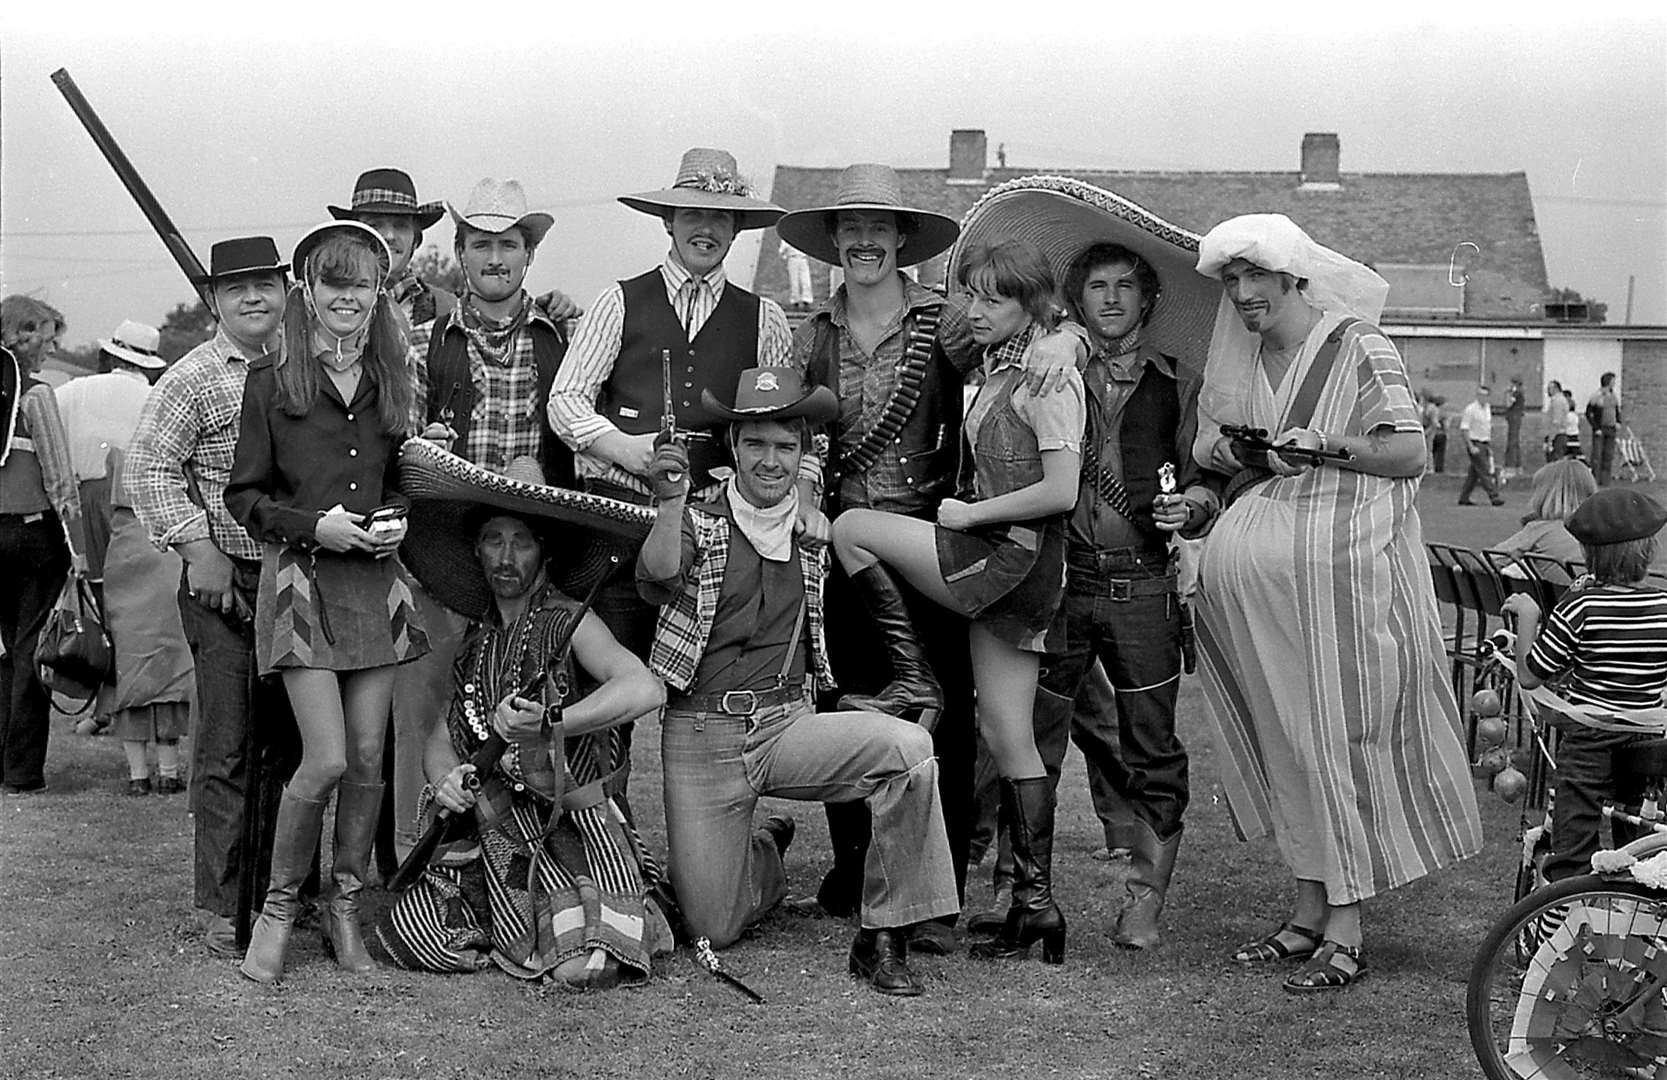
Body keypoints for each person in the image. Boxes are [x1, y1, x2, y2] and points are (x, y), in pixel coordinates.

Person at [1191, 213, 1481, 993]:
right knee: (1284, 740)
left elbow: (1407, 451)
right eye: (1231, 280)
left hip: (1340, 595)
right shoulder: (1241, 356)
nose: (1244, 295)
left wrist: (1321, 446)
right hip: (1266, 600)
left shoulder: (1357, 346)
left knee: (1331, 737)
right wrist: (1226, 456)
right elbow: (1211, 455)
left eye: (1257, 277)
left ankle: (1347, 927)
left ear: (1293, 275)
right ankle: (1305, 911)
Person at [637, 367, 959, 996]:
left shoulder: (815, 530)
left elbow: (820, 515)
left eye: (786, 446)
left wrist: (811, 505)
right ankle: (766, 847)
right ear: (733, 448)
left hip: (786, 722)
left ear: (804, 453)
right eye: (755, 444)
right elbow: (656, 575)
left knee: (911, 752)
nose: (770, 460)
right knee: (712, 926)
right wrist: (669, 500)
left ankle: (884, 935)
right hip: (702, 729)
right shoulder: (698, 518)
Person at [830, 238, 1086, 965]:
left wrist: (967, 515)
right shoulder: (1010, 361)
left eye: (992, 299)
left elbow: (1060, 492)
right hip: (1017, 568)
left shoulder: (1048, 377)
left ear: (1031, 307)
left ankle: (914, 678)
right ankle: (1035, 908)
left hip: (1006, 558)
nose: (973, 311)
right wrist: (1065, 337)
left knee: (852, 528)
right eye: (969, 294)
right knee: (1008, 737)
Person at [775, 163, 978, 946]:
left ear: (901, 240)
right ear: (834, 241)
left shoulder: (947, 323)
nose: (864, 241)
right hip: (837, 555)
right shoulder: (810, 336)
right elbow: (790, 434)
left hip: (929, 544)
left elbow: (1008, 369)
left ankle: (939, 894)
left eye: (878, 228)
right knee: (845, 712)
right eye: (850, 228)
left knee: (943, 721)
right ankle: (860, 872)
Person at [378, 450, 671, 986]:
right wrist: (446, 779)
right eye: (494, 540)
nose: (506, 557)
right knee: (419, 933)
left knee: (582, 968)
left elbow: (644, 688)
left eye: (522, 542)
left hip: (575, 829)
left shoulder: (568, 622)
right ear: (476, 549)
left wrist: (552, 722)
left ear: (545, 552)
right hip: (498, 832)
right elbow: (441, 735)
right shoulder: (478, 638)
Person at [224, 221, 429, 983]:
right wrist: (317, 527)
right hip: (301, 586)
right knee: (328, 758)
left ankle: (346, 908)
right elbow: (242, 496)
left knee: (372, 757)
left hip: (376, 588)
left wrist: (395, 517)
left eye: (363, 286)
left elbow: (403, 478)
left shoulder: (393, 379)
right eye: (334, 284)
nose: (349, 299)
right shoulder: (271, 383)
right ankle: (280, 910)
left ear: (380, 294)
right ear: (307, 291)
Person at [1030, 220, 1222, 950]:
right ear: (1075, 299)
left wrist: (1193, 506)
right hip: (1054, 586)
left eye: (1124, 287)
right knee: (1030, 740)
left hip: (1141, 588)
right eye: (1095, 286)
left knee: (1151, 746)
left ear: (1146, 300)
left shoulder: (1181, 382)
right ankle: (1027, 894)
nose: (1109, 299)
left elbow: (1207, 479)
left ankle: (1143, 897)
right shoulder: (1048, 372)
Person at [550, 148, 808, 669]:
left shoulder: (765, 318)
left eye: (719, 217)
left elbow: (780, 422)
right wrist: (626, 449)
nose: (706, 229)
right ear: (668, 221)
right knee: (609, 679)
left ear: (735, 229)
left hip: (716, 524)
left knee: (708, 677)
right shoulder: (618, 301)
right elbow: (566, 400)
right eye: (693, 214)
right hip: (621, 517)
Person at [127, 235, 298, 955]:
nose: (253, 298)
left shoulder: (306, 368)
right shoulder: (192, 377)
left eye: (264, 283)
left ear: (286, 289)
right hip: (224, 585)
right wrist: (199, 548)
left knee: (291, 749)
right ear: (213, 301)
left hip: (298, 583)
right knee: (227, 745)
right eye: (236, 289)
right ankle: (219, 906)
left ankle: (282, 897)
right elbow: (147, 470)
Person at [397, 178, 569, 866]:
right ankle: (428, 842)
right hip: (445, 544)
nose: (494, 259)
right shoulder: (423, 342)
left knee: (526, 690)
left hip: (531, 549)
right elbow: (397, 448)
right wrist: (426, 448)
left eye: (508, 245)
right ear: (460, 253)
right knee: (433, 696)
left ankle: (530, 842)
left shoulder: (564, 336)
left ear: (528, 255)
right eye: (481, 245)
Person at [1503, 488, 1667, 883]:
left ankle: (1568, 911)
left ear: (1590, 555)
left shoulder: (1579, 607)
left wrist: (1529, 616)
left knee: (1574, 843)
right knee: (1642, 838)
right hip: (1648, 737)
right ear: (1647, 552)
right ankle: (1637, 907)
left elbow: (1531, 673)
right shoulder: (1663, 606)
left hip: (1590, 736)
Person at [1, 296, 87, 796]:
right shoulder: (35, 396)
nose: (53, 346)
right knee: (32, 650)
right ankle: (22, 770)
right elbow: (59, 480)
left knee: (2, 651)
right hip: (32, 535)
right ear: (22, 334)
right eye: (48, 336)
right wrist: (78, 549)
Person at [101, 446, 194, 795]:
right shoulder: (170, 503)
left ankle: (137, 776)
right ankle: (169, 773)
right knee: (169, 670)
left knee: (132, 675)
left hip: (125, 564)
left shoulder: (120, 525)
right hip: (167, 558)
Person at [53, 319, 166, 603]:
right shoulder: (158, 397)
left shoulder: (73, 391)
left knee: (93, 591)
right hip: (143, 502)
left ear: (109, 355)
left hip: (87, 501)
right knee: (139, 589)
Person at [328, 168, 452, 328]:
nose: (389, 236)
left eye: (400, 226)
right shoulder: (326, 307)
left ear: (416, 240)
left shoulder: (449, 309)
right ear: (353, 236)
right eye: (375, 225)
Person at [1493, 458, 1598, 572]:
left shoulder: (1540, 530)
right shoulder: (1605, 530)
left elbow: (1487, 561)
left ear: (1545, 495)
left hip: (1560, 588)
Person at [1457, 384, 1504, 506]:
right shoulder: (1471, 409)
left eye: (1485, 395)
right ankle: (1494, 496)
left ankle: (1464, 497)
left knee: (1474, 473)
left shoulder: (1487, 408)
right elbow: (1464, 429)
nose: (1482, 398)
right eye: (1480, 395)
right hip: (1475, 443)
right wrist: (1471, 446)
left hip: (1485, 442)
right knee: (1484, 471)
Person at [1585, 372, 1622, 485]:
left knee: (1608, 455)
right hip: (1600, 428)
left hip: (1611, 428)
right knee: (1597, 455)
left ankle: (1605, 480)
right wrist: (1596, 427)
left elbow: (1617, 411)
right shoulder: (1597, 396)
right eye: (1613, 381)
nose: (1614, 383)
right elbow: (1588, 412)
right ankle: (1595, 480)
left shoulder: (1614, 396)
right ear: (1608, 382)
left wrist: (1618, 422)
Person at [1503, 376, 1526, 477]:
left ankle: (1510, 467)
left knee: (1512, 442)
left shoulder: (1515, 393)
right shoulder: (1520, 392)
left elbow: (1508, 404)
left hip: (1514, 418)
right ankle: (1518, 467)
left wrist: (1507, 394)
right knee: (1515, 442)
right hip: (1516, 418)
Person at [1544, 380, 1570, 462]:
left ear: (1556, 389)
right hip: (1559, 434)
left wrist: (1550, 440)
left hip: (1557, 435)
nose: (1548, 391)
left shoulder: (1557, 401)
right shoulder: (1560, 400)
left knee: (1554, 462)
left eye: (1549, 388)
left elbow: (1556, 422)